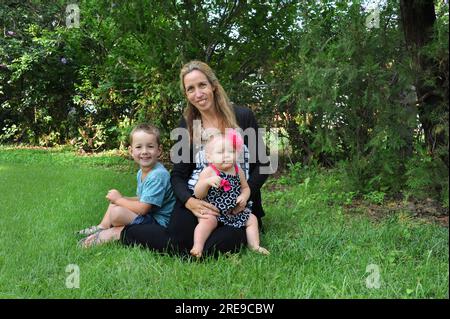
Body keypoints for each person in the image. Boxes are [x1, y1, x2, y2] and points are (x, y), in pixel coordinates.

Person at [96, 60, 270, 256]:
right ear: (186, 94)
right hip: (199, 198)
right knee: (178, 243)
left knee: (216, 247)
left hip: (236, 206)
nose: (198, 93)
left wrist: (245, 196)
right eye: (191, 89)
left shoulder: (242, 117)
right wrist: (189, 202)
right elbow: (178, 174)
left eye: (202, 85)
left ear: (213, 85)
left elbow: (264, 164)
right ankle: (121, 232)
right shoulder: (186, 125)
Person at [77, 124, 176, 247]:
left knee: (117, 213)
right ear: (131, 151)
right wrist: (120, 199)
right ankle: (101, 227)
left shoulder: (157, 175)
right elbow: (142, 198)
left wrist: (120, 200)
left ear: (159, 150)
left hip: (158, 223)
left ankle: (110, 232)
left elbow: (143, 208)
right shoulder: (142, 172)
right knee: (116, 202)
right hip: (149, 215)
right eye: (139, 147)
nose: (144, 151)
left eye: (150, 146)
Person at [190, 130, 269, 257]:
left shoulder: (238, 171)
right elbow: (198, 194)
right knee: (206, 222)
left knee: (252, 219)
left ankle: (254, 245)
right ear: (209, 157)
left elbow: (245, 188)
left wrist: (244, 196)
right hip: (213, 211)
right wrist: (206, 182)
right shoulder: (209, 172)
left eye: (231, 151)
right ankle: (197, 246)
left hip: (233, 211)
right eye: (221, 152)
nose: (226, 155)